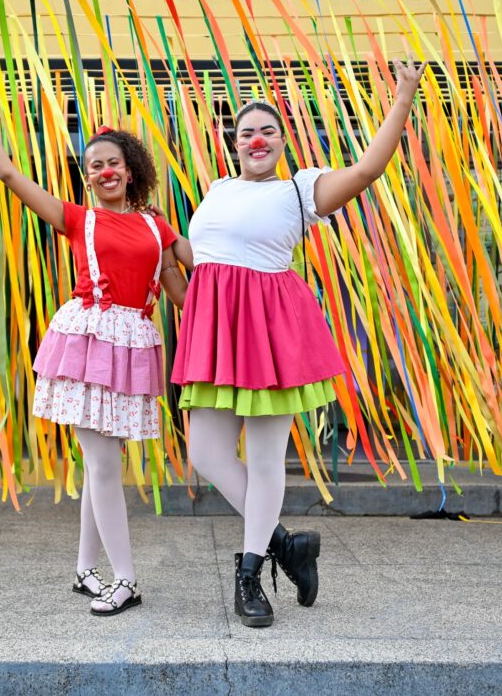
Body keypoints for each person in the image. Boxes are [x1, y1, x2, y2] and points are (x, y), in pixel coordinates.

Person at [169, 61, 425, 627]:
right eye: (246, 133)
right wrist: (164, 241)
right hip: (217, 330)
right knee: (206, 453)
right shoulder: (218, 189)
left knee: (265, 460)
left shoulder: (300, 188)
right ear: (234, 144)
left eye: (268, 131)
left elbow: (367, 170)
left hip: (268, 331)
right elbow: (206, 257)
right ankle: (286, 542)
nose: (257, 139)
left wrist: (404, 95)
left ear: (283, 141)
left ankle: (251, 573)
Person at [0, 69, 188, 616]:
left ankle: (87, 570)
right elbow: (7, 172)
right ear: (87, 179)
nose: (105, 171)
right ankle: (125, 580)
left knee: (99, 464)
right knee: (104, 464)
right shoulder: (76, 218)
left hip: (133, 344)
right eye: (94, 166)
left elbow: (188, 284)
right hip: (87, 340)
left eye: (113, 162)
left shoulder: (157, 227)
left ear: (131, 169)